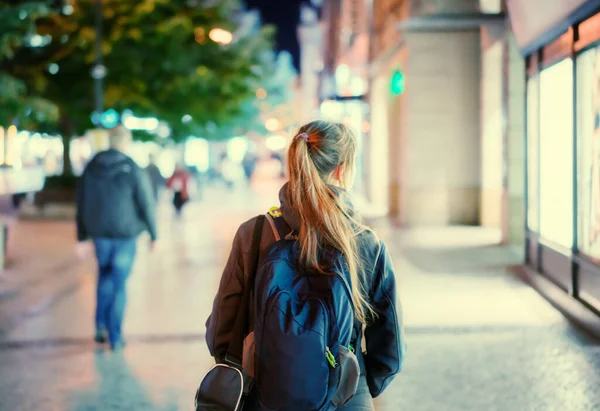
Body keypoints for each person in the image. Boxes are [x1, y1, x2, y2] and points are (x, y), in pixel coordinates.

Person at [205, 120, 406, 410]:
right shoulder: (365, 242)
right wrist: (359, 382)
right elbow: (391, 344)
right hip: (347, 396)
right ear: (342, 170)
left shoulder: (255, 233)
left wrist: (257, 370)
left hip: (266, 391)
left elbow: (221, 327)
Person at [76, 125, 157, 351]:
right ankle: (116, 336)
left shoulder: (91, 167)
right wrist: (154, 234)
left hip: (99, 234)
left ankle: (100, 326)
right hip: (125, 234)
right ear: (125, 142)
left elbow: (81, 201)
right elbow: (145, 202)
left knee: (104, 278)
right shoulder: (131, 167)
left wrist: (81, 237)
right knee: (119, 284)